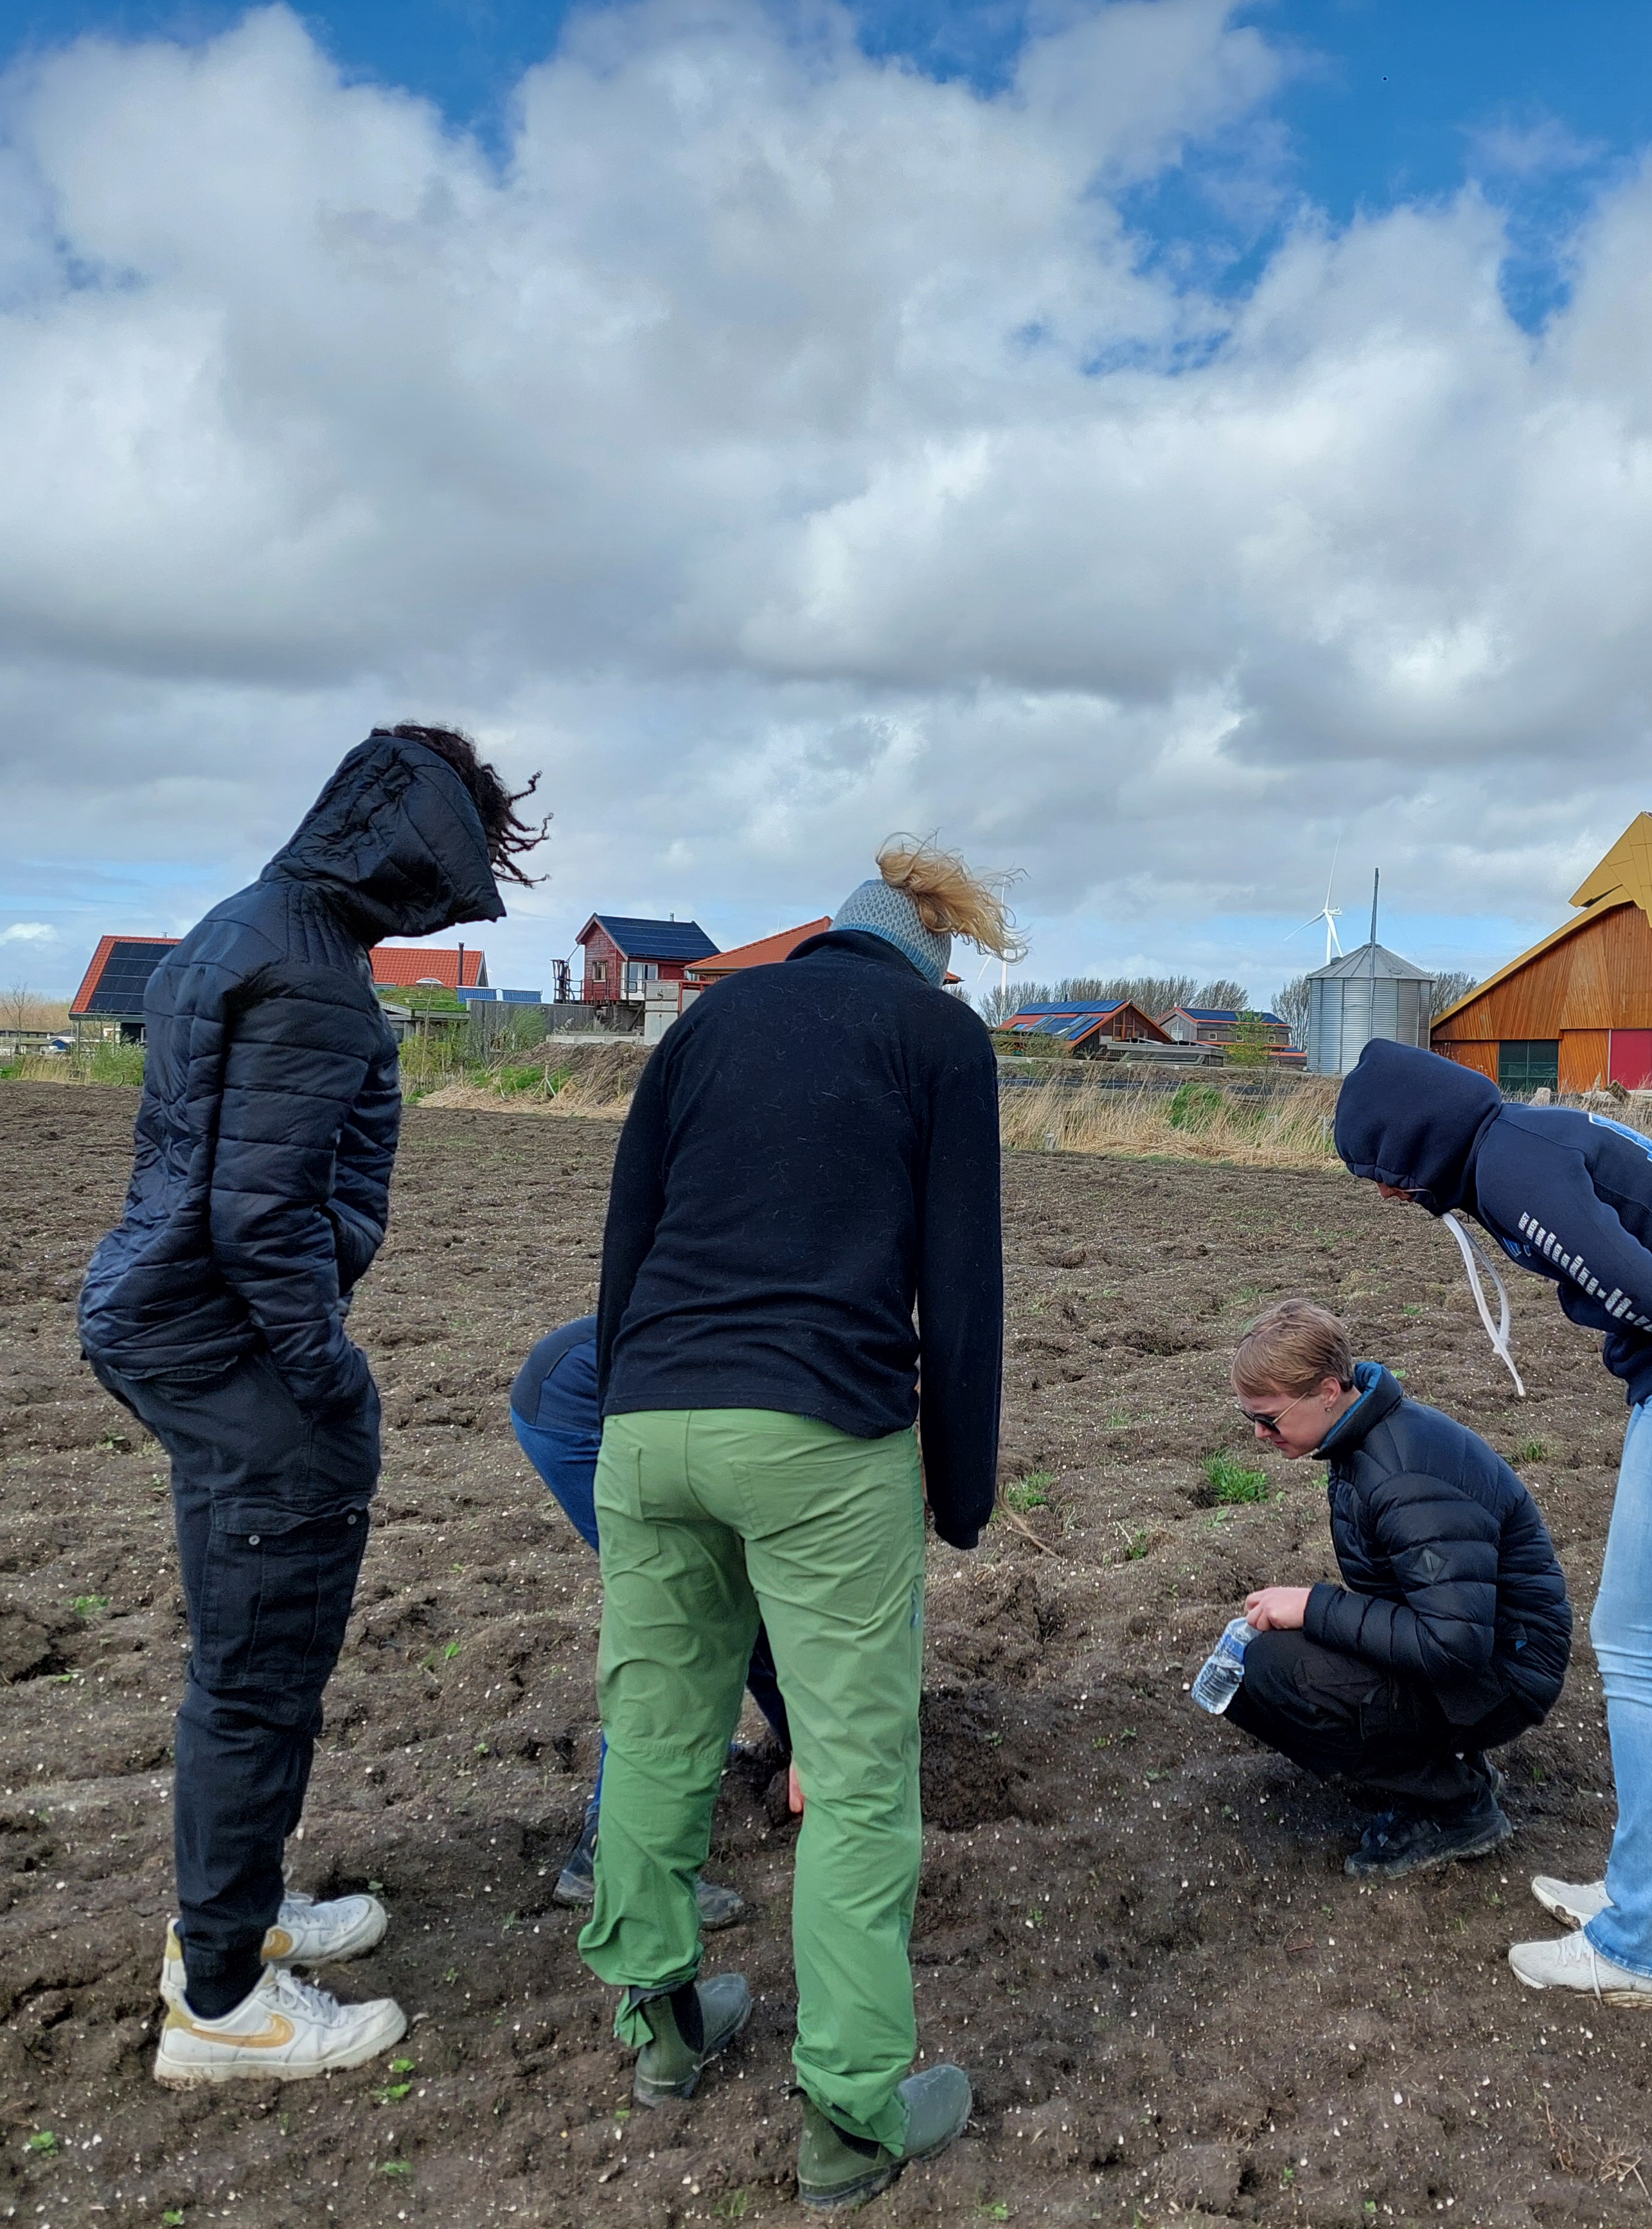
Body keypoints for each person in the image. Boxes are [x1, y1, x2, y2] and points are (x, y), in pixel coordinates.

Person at [79, 724, 543, 2084]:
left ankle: (238, 1916)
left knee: (249, 1654)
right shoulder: (314, 978)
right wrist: (326, 1371)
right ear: (410, 847)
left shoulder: (243, 929)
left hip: (178, 1329)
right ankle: (221, 2005)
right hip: (237, 1352)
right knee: (258, 1672)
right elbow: (261, 1213)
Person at [578, 838, 1017, 2210]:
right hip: (820, 1437)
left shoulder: (710, 1019)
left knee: (655, 1730)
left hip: (648, 1425)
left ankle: (659, 2027)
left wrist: (622, 1401)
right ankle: (850, 2110)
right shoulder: (939, 1040)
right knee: (860, 1776)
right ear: (930, 954)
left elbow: (626, 1235)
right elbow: (959, 1287)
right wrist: (959, 1491)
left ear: (833, 932)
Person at [1330, 1041, 1652, 2011]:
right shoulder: (1530, 1137)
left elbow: (1643, 1286)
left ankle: (1649, 1948)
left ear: (1415, 1141)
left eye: (1382, 1170)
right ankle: (1646, 1894)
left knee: (1643, 1650)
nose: (1386, 1195)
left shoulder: (1512, 1166)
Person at [1219, 1299, 1572, 1879]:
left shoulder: (1403, 1476)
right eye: (1248, 1418)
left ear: (1328, 1390)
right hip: (1487, 1655)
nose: (1259, 1434)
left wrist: (1315, 1606)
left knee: (1274, 1675)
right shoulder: (1365, 1440)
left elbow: (1455, 1644)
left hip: (1505, 1676)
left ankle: (1454, 1803)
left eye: (1270, 1418)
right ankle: (1450, 1766)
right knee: (1249, 1668)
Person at [507, 1312, 788, 1927]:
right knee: (681, 1617)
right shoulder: (799, 1369)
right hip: (574, 1407)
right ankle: (603, 1859)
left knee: (739, 1598)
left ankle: (799, 1748)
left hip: (634, 1396)